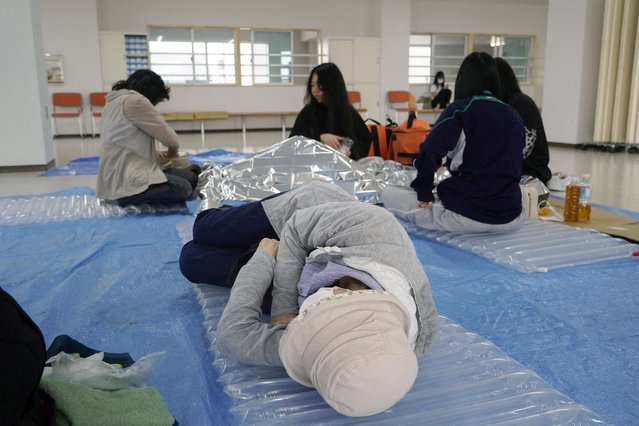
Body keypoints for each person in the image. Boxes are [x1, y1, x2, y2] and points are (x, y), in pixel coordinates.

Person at [179, 181, 437, 417]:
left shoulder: (322, 349)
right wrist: (284, 310)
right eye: (315, 309)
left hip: (308, 265)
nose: (303, 315)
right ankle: (234, 213)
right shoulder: (376, 228)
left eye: (307, 317)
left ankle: (253, 244)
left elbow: (233, 337)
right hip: (308, 217)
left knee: (191, 260)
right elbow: (295, 229)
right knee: (203, 228)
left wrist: (263, 258)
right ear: (345, 292)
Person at [382, 52, 526, 233]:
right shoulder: (513, 114)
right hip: (511, 217)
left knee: (389, 194)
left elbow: (429, 152)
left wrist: (424, 190)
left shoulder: (461, 110)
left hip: (466, 216)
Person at [96, 70, 199, 206]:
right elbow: (171, 140)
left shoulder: (113, 101)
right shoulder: (136, 101)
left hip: (113, 176)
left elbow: (120, 137)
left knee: (190, 177)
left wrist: (152, 152)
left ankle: (124, 195)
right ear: (153, 93)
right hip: (124, 181)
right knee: (183, 187)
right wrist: (171, 154)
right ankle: (123, 200)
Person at [289, 63, 372, 161]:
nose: (315, 91)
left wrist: (350, 151)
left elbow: (364, 141)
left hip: (342, 167)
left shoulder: (348, 112)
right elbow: (293, 141)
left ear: (332, 86)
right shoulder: (308, 111)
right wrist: (320, 137)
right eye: (312, 85)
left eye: (320, 85)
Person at [495, 58, 552, 184]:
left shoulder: (523, 105)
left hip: (530, 172)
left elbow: (522, 148)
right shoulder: (498, 106)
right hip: (508, 170)